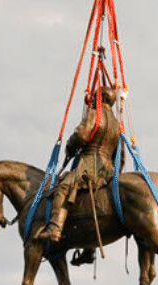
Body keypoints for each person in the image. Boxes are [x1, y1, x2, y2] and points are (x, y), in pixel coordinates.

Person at [33, 84, 123, 244]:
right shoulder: (117, 125)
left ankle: (54, 228)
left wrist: (69, 147)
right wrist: (115, 172)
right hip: (108, 169)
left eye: (95, 97)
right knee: (91, 199)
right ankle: (88, 251)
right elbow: (121, 156)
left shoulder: (95, 115)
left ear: (100, 98)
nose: (93, 100)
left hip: (89, 164)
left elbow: (81, 136)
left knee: (63, 188)